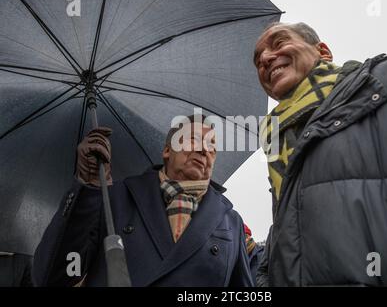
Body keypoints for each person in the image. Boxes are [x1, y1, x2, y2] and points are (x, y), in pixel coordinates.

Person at [254, 22, 387, 286]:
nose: (265, 58)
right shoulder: (277, 150)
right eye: (258, 60)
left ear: (323, 51)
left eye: (279, 43)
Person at [32, 115, 253, 286]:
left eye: (212, 146)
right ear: (167, 151)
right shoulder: (114, 198)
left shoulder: (230, 222)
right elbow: (56, 275)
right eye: (193, 139)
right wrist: (89, 188)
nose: (204, 149)